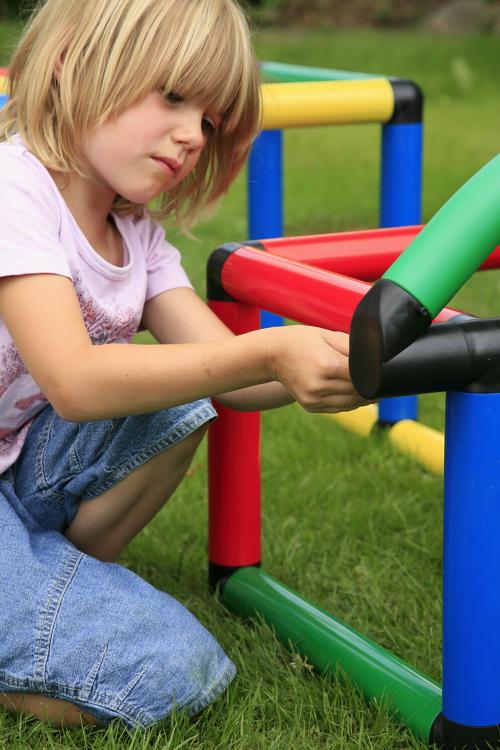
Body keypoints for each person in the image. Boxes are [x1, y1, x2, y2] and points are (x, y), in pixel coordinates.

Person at [0, 0, 363, 731]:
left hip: (16, 470)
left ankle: (58, 578)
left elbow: (235, 374)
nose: (192, 134)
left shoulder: (136, 235)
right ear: (75, 61)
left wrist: (333, 353)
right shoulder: (13, 188)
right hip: (28, 457)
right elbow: (73, 382)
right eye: (172, 96)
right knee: (176, 669)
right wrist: (266, 349)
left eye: (210, 121)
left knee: (181, 398)